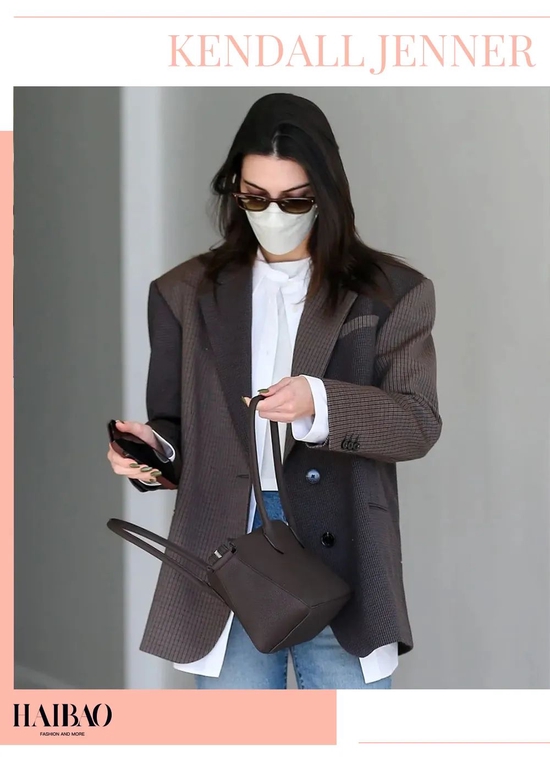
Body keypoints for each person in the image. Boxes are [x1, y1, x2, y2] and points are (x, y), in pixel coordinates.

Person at [106, 92, 443, 689]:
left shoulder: (390, 292)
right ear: (235, 191)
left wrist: (321, 402)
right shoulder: (183, 292)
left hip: (342, 549)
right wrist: (153, 453)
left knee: (350, 732)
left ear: (328, 195)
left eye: (295, 200)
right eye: (255, 197)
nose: (273, 214)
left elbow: (417, 423)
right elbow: (176, 428)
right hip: (228, 547)